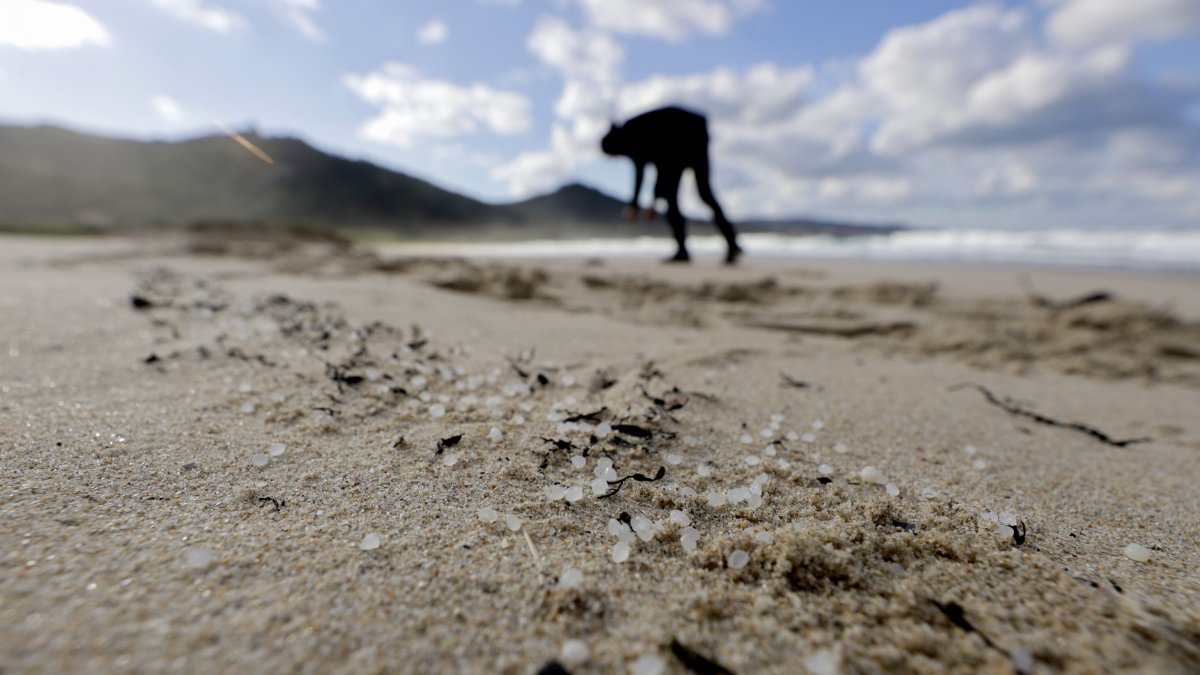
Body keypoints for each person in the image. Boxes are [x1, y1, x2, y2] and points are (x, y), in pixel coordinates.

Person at [601, 106, 742, 264]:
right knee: (702, 195)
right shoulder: (632, 131)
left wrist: (645, 202)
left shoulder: (632, 135)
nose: (617, 157)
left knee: (683, 198)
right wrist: (651, 200)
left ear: (614, 145)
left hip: (683, 141)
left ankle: (687, 251)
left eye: (614, 155)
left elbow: (650, 169)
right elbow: (659, 166)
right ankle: (731, 244)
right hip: (692, 138)